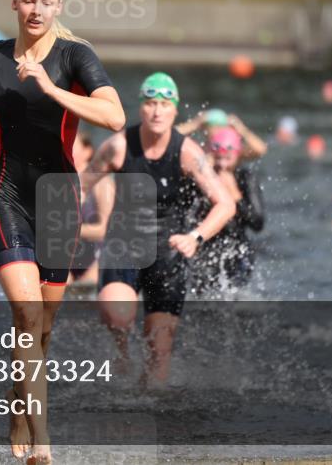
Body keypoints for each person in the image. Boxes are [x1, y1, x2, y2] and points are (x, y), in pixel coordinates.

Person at [0, 0, 125, 463]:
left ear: (58, 7)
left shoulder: (75, 57)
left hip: (60, 199)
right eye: (28, 0)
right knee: (26, 313)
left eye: (46, 1)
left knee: (43, 329)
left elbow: (114, 116)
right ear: (15, 4)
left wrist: (50, 86)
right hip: (6, 192)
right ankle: (41, 441)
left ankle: (18, 406)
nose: (36, 9)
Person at [90, 73, 234, 385]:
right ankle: (122, 354)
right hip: (123, 245)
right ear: (141, 108)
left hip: (169, 252)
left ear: (175, 110)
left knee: (159, 351)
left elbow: (225, 204)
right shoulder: (118, 147)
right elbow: (76, 188)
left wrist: (196, 236)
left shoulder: (188, 153)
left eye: (164, 104)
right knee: (118, 315)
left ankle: (150, 415)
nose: (157, 111)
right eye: (151, 104)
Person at [190, 127, 266, 294]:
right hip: (207, 248)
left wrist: (235, 195)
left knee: (234, 295)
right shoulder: (204, 177)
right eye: (219, 158)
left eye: (228, 158)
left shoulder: (246, 178)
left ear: (238, 155)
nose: (222, 164)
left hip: (237, 248)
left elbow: (258, 223)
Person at [68, 132, 114, 286]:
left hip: (99, 256)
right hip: (66, 254)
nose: (65, 147)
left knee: (85, 292)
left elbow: (106, 230)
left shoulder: (102, 183)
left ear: (88, 151)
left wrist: (66, 229)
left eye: (71, 143)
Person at [176, 108, 268, 160]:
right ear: (204, 129)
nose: (216, 130)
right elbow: (167, 137)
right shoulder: (201, 150)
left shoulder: (231, 151)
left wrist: (242, 129)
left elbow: (260, 149)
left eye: (219, 126)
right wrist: (194, 124)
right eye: (211, 126)